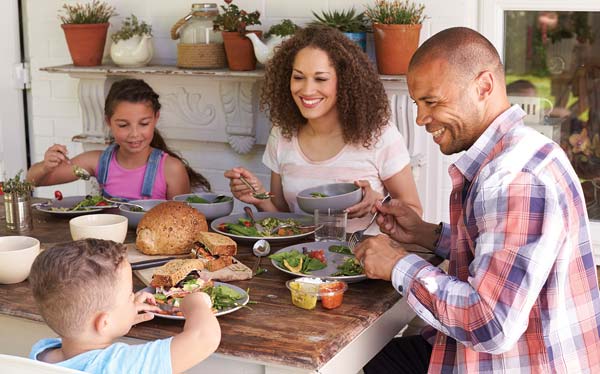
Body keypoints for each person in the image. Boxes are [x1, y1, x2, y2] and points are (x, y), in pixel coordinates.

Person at [354, 27, 600, 373]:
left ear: (483, 86)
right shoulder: (528, 149)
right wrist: (426, 234)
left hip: (522, 363)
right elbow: (503, 255)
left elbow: (491, 324)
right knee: (372, 358)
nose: (420, 118)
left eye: (432, 101)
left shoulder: (513, 178)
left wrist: (397, 263)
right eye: (417, 103)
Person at [225, 26, 422, 231]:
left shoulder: (380, 135)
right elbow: (285, 219)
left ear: (344, 82)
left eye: (321, 79)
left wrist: (379, 203)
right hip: (301, 258)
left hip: (364, 260)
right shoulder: (282, 134)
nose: (307, 90)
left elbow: (414, 213)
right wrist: (259, 198)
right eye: (298, 77)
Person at [28, 239, 220, 373]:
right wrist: (197, 303)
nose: (134, 298)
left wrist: (121, 314)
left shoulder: (40, 354)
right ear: (104, 322)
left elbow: (77, 321)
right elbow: (205, 337)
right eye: (129, 295)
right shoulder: (120, 365)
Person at [26, 79, 211, 200]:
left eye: (144, 123)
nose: (134, 134)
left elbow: (183, 222)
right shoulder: (97, 161)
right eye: (123, 125)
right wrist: (45, 166)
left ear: (156, 118)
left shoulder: (171, 169)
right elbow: (33, 182)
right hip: (107, 251)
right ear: (109, 122)